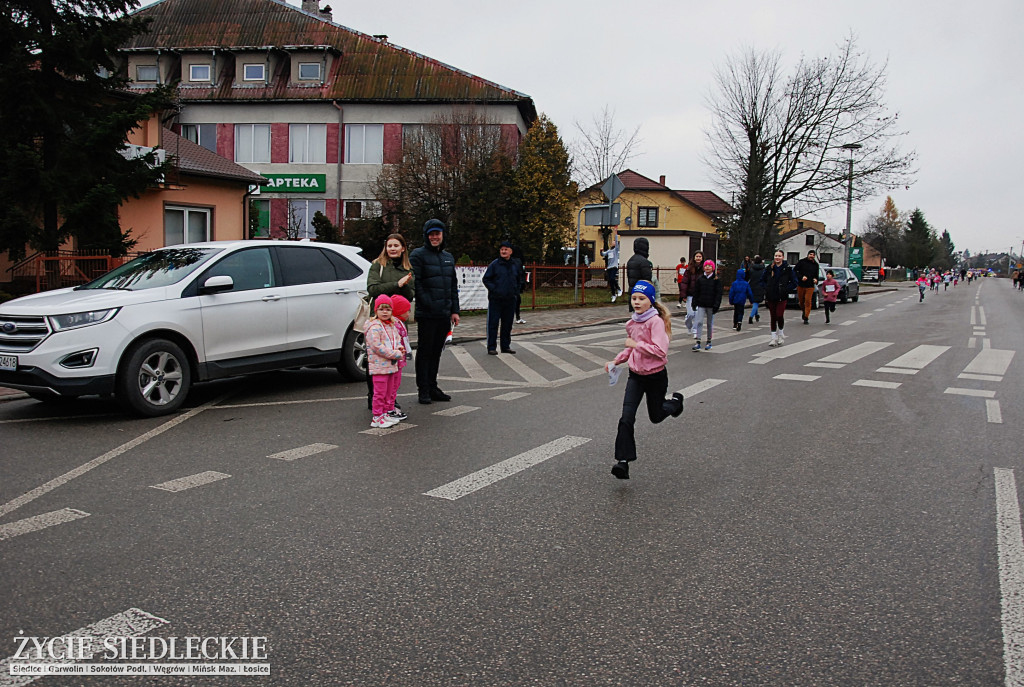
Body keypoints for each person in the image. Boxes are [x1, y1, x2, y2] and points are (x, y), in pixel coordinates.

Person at [606, 280, 684, 480]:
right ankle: (623, 462)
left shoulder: (656, 322)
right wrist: (616, 360)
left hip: (656, 376)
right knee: (626, 417)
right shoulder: (631, 323)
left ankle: (675, 403)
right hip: (636, 377)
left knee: (656, 416)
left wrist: (636, 343)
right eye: (634, 298)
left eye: (642, 298)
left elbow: (660, 351)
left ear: (650, 301)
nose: (637, 302)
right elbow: (631, 348)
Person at [409, 218, 460, 405]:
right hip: (427, 314)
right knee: (425, 352)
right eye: (431, 234)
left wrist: (455, 310)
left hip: (444, 314)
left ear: (442, 235)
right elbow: (417, 283)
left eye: (437, 234)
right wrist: (429, 303)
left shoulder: (448, 257)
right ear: (426, 235)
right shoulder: (418, 255)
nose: (435, 237)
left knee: (437, 351)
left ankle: (433, 386)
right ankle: (423, 389)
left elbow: (453, 286)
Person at [365, 233, 415, 409]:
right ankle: (374, 396)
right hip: (379, 321)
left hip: (398, 322)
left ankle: (390, 398)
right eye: (389, 246)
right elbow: (373, 289)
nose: (392, 249)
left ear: (403, 248)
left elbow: (410, 296)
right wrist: (397, 284)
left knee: (396, 359)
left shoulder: (407, 268)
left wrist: (406, 285)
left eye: (396, 245)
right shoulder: (377, 265)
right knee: (377, 359)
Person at [364, 296, 405, 428]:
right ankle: (377, 416)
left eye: (388, 309)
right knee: (380, 392)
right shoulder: (374, 327)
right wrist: (394, 354)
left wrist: (399, 347)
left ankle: (385, 413)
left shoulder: (392, 325)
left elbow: (397, 339)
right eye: (381, 309)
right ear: (376, 311)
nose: (385, 312)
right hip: (379, 366)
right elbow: (377, 346)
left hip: (391, 365)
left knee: (389, 391)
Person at [482, 240, 519, 355]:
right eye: (502, 249)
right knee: (493, 324)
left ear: (511, 251)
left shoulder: (515, 264)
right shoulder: (495, 264)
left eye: (506, 249)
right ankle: (491, 347)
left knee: (507, 324)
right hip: (496, 299)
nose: (503, 251)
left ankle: (505, 346)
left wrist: (516, 290)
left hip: (510, 299)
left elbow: (519, 278)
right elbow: (486, 279)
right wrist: (495, 290)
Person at [761, 250, 797, 347]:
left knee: (779, 315)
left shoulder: (787, 269)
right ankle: (773, 337)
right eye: (776, 256)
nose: (777, 258)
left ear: (783, 257)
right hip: (771, 295)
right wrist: (767, 288)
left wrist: (786, 289)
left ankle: (780, 333)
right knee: (773, 316)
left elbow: (794, 282)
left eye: (779, 256)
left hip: (782, 296)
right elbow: (762, 280)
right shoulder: (769, 268)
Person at [690, 259, 723, 351]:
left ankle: (709, 341)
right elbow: (696, 292)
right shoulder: (700, 279)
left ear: (713, 268)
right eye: (706, 266)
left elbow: (718, 294)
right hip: (701, 304)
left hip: (711, 305)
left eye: (709, 266)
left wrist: (717, 305)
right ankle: (698, 341)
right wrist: (694, 302)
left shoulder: (716, 280)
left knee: (709, 323)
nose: (707, 267)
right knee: (699, 322)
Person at [625, 237, 653, 312]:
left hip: (633, 292)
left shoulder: (630, 260)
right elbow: (648, 280)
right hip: (642, 295)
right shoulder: (644, 262)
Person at [681, 250, 704, 334]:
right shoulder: (689, 269)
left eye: (700, 256)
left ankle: (695, 330)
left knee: (697, 313)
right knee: (690, 314)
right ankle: (689, 326)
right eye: (697, 256)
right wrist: (683, 295)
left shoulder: (704, 269)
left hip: (700, 296)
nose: (698, 258)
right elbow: (684, 282)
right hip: (690, 295)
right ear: (694, 258)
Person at [794, 250, 819, 324]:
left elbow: (816, 275)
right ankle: (804, 311)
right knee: (801, 301)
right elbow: (795, 271)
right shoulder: (802, 262)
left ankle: (806, 317)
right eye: (810, 254)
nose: (812, 256)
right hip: (801, 285)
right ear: (808, 255)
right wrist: (801, 277)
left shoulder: (816, 265)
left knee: (808, 301)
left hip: (810, 285)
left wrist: (816, 279)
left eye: (813, 255)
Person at [728, 268, 754, 332]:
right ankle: (739, 322)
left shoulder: (734, 283)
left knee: (736, 312)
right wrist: (751, 300)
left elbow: (731, 293)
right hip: (742, 299)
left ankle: (735, 324)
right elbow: (750, 293)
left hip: (735, 299)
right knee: (741, 312)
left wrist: (730, 300)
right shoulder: (746, 284)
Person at [746, 254, 766, 324]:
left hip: (752, 286)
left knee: (755, 302)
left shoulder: (751, 269)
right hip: (760, 287)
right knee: (756, 303)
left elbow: (748, 277)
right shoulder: (763, 270)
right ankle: (751, 317)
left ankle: (756, 315)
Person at [511, 245, 527, 324]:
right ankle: (517, 317)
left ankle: (516, 317)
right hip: (515, 285)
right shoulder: (518, 261)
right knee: (516, 301)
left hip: (511, 284)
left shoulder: (509, 260)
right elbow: (520, 274)